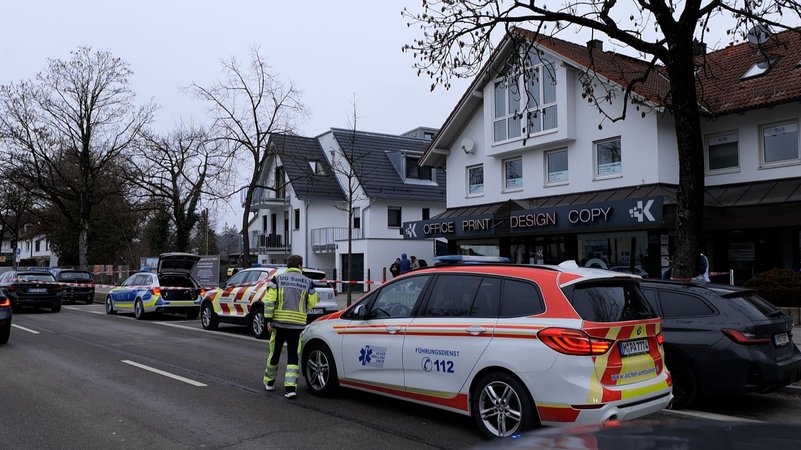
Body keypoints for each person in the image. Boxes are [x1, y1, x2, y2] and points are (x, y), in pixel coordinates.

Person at [263, 254, 318, 399]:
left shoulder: (277, 279)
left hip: (279, 324)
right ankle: (290, 389)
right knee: (293, 356)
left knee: (274, 353)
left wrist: (268, 319)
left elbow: (269, 301)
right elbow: (313, 302)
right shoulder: (308, 282)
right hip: (297, 325)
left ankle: (269, 382)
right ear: (300, 265)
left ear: (288, 266)